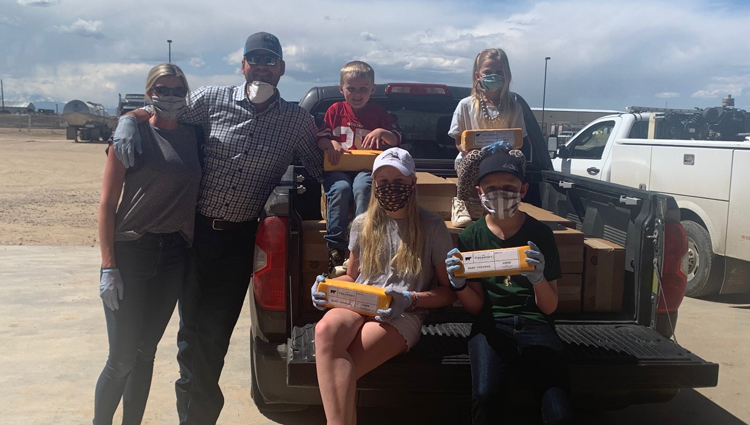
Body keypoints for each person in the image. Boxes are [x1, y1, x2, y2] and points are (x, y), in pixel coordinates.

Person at [111, 32, 324, 425]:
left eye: (269, 60)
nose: (261, 66)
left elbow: (322, 167)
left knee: (213, 337)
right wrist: (128, 119)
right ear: (243, 65)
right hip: (192, 235)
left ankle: (199, 418)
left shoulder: (296, 121)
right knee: (187, 336)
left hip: (239, 240)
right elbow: (164, 111)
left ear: (281, 68)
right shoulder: (210, 100)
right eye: (254, 59)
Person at [311, 148, 456, 425]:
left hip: (403, 312)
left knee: (341, 371)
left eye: (398, 180)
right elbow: (352, 277)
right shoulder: (363, 223)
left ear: (412, 182)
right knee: (325, 329)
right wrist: (326, 288)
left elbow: (448, 292)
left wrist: (410, 298)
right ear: (374, 184)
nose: (391, 188)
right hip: (361, 299)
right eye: (383, 181)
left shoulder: (432, 226)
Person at [95, 63, 201, 425]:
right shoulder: (132, 136)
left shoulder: (194, 136)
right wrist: (109, 265)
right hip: (131, 252)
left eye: (177, 90)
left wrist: (129, 114)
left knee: (145, 353)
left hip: (173, 255)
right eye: (162, 89)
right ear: (149, 92)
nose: (170, 96)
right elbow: (108, 204)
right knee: (121, 358)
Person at [444, 143, 572, 425]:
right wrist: (459, 284)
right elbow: (477, 307)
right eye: (490, 187)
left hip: (536, 323)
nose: (499, 192)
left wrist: (537, 279)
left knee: (558, 410)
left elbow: (549, 308)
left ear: (523, 190)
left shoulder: (540, 233)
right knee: (486, 396)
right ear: (479, 192)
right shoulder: (471, 237)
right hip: (492, 323)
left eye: (509, 186)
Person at [316, 60, 401, 273]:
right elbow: (321, 138)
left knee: (363, 188)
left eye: (363, 89)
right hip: (338, 169)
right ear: (341, 88)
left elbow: (397, 139)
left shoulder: (379, 113)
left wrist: (382, 132)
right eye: (351, 88)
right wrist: (331, 143)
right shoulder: (334, 110)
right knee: (341, 189)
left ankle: (362, 243)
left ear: (372, 89)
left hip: (367, 169)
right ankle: (335, 247)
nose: (357, 94)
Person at [449, 48, 528, 228]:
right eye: (488, 72)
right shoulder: (466, 105)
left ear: (506, 75)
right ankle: (460, 202)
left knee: (518, 156)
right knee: (474, 156)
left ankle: (511, 203)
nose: (494, 76)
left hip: (501, 161)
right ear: (478, 75)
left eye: (499, 73)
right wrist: (474, 149)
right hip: (472, 161)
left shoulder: (514, 107)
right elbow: (458, 143)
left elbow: (518, 141)